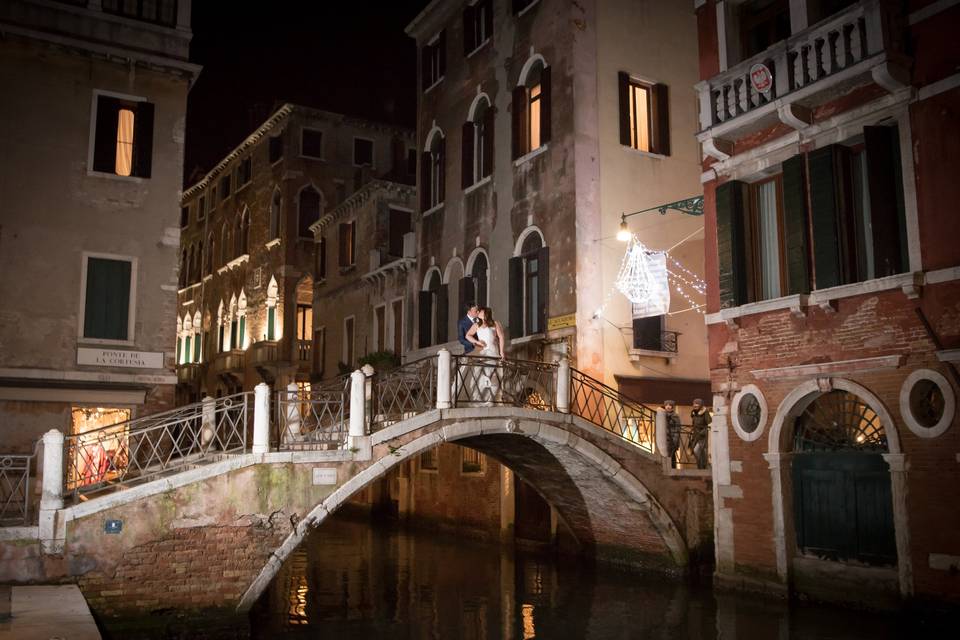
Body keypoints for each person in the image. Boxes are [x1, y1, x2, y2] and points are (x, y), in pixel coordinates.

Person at [466, 306, 506, 405]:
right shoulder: (476, 325)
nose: (478, 312)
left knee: (493, 376)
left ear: (485, 313)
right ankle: (479, 399)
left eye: (480, 312)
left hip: (493, 352)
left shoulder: (495, 324)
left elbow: (501, 337)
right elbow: (468, 335)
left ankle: (490, 400)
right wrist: (477, 342)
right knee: (479, 375)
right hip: (482, 353)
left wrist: (502, 352)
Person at [690, 398, 711, 470]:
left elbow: (709, 423)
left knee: (697, 451)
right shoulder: (694, 413)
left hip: (702, 436)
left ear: (701, 405)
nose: (695, 405)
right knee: (697, 452)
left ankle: (703, 467)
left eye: (697, 404)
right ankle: (701, 468)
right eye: (694, 404)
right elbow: (693, 424)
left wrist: (703, 431)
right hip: (695, 436)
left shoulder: (705, 413)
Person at [663, 399, 682, 469]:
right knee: (667, 454)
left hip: (672, 438)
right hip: (665, 438)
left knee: (671, 454)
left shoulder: (675, 416)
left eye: (670, 405)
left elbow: (678, 428)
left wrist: (675, 439)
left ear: (672, 407)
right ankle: (667, 468)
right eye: (666, 405)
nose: (668, 407)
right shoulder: (663, 415)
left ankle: (672, 469)